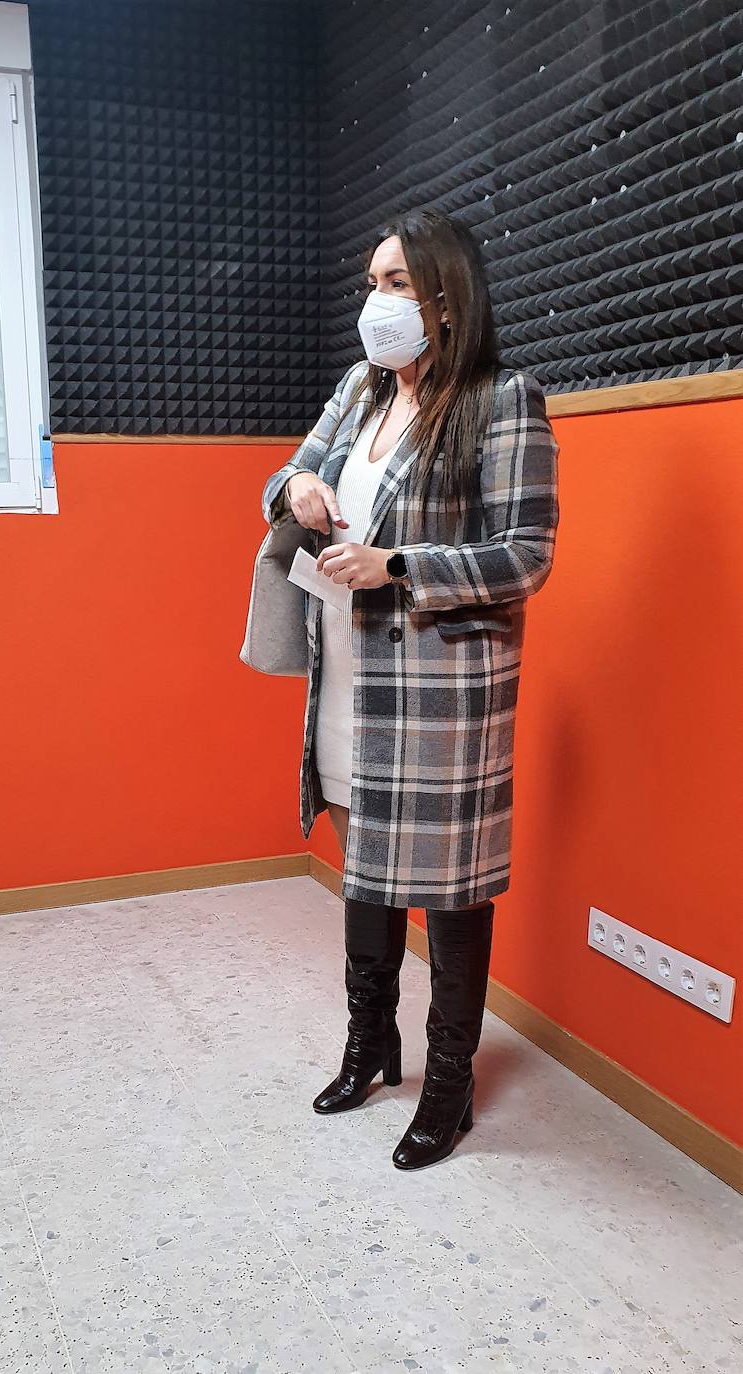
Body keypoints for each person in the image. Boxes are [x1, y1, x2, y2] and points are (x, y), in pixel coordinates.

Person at [260, 207, 560, 1170]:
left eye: (395, 283)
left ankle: (449, 1083)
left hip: (440, 687)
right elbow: (285, 478)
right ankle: (370, 1046)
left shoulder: (503, 399)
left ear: (446, 296)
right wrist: (297, 491)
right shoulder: (358, 389)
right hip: (349, 671)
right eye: (372, 283)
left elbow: (526, 554)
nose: (375, 302)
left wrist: (397, 565)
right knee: (367, 865)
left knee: (453, 891)